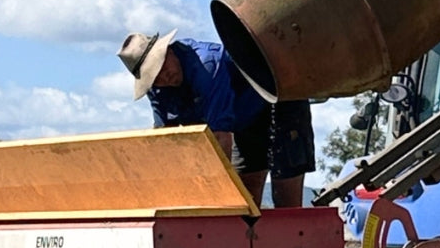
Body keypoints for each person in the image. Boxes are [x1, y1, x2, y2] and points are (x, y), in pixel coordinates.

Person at [117, 29, 314, 208]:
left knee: (285, 200)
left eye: (161, 67)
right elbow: (166, 141)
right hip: (243, 120)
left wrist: (213, 197)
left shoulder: (207, 65)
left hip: (281, 99)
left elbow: (220, 137)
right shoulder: (157, 89)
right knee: (246, 204)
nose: (163, 77)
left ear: (168, 51)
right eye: (154, 76)